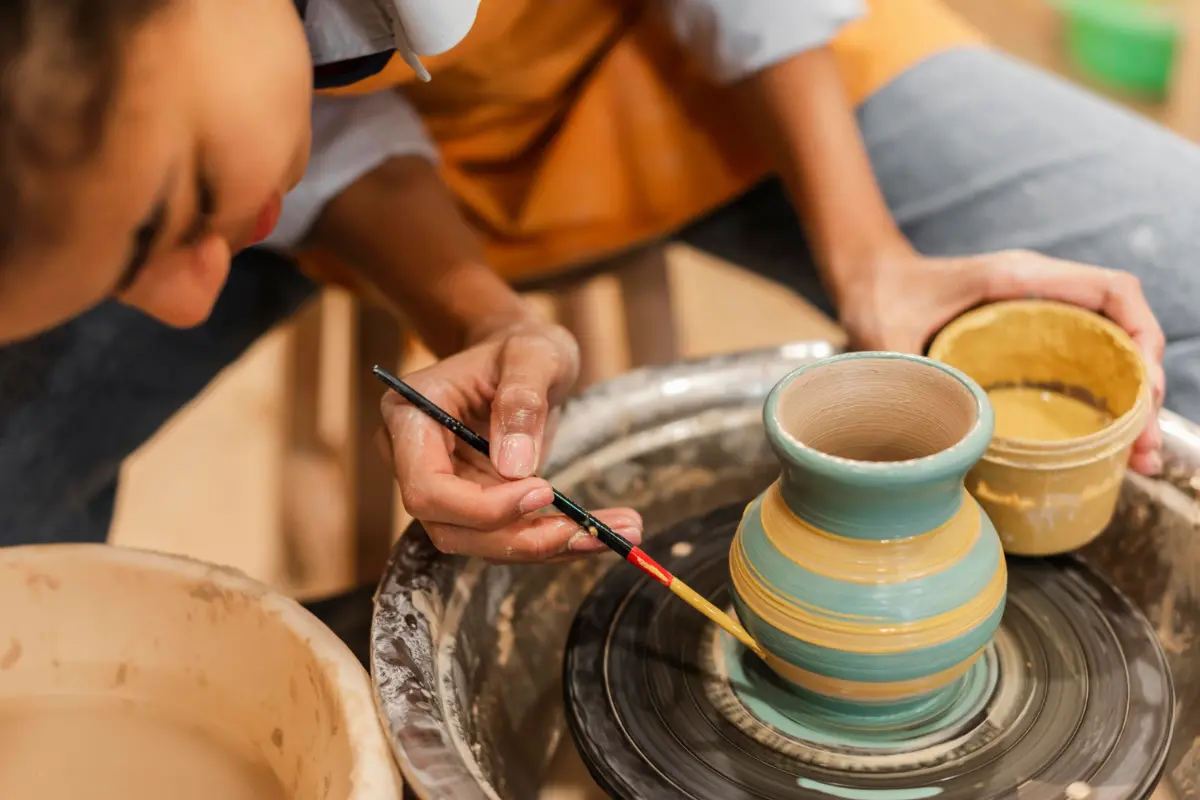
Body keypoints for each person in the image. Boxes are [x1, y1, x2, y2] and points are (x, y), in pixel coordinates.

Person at [0, 0, 1193, 565]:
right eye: (125, 257)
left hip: (663, 54)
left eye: (181, 200)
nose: (189, 294)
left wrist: (870, 256)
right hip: (375, 137)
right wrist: (483, 314)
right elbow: (313, 101)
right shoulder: (193, 107)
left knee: (1174, 265)